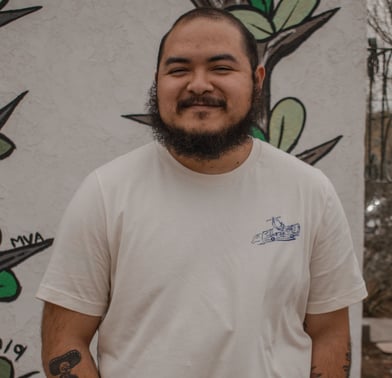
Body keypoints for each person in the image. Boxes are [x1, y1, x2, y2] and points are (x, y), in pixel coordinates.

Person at [37, 7, 367, 378]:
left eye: (221, 68)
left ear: (257, 80)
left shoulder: (310, 191)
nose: (198, 84)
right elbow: (65, 340)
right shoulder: (105, 193)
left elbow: (329, 333)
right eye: (178, 70)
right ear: (157, 81)